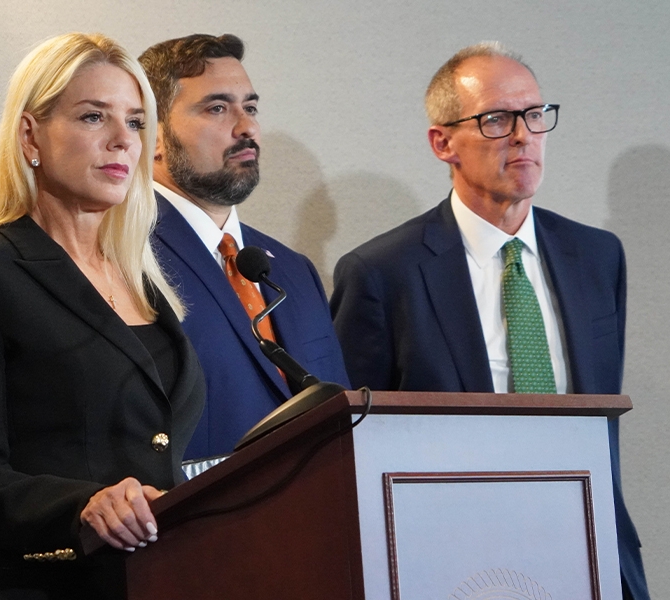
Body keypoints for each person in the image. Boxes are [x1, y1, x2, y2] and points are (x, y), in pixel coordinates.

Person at [331, 42, 648, 599]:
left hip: (593, 547)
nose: (525, 135)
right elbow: (352, 447)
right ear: (442, 142)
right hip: (449, 558)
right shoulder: (382, 273)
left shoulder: (598, 257)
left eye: (534, 115)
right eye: (497, 119)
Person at [0, 33, 205, 600]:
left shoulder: (146, 281)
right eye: (95, 116)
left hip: (157, 581)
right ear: (30, 136)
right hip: (41, 586)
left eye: (138, 122)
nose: (124, 140)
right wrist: (83, 507)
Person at [138, 34, 350, 461]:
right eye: (217, 108)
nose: (247, 128)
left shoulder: (292, 269)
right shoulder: (126, 261)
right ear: (153, 136)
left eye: (249, 108)